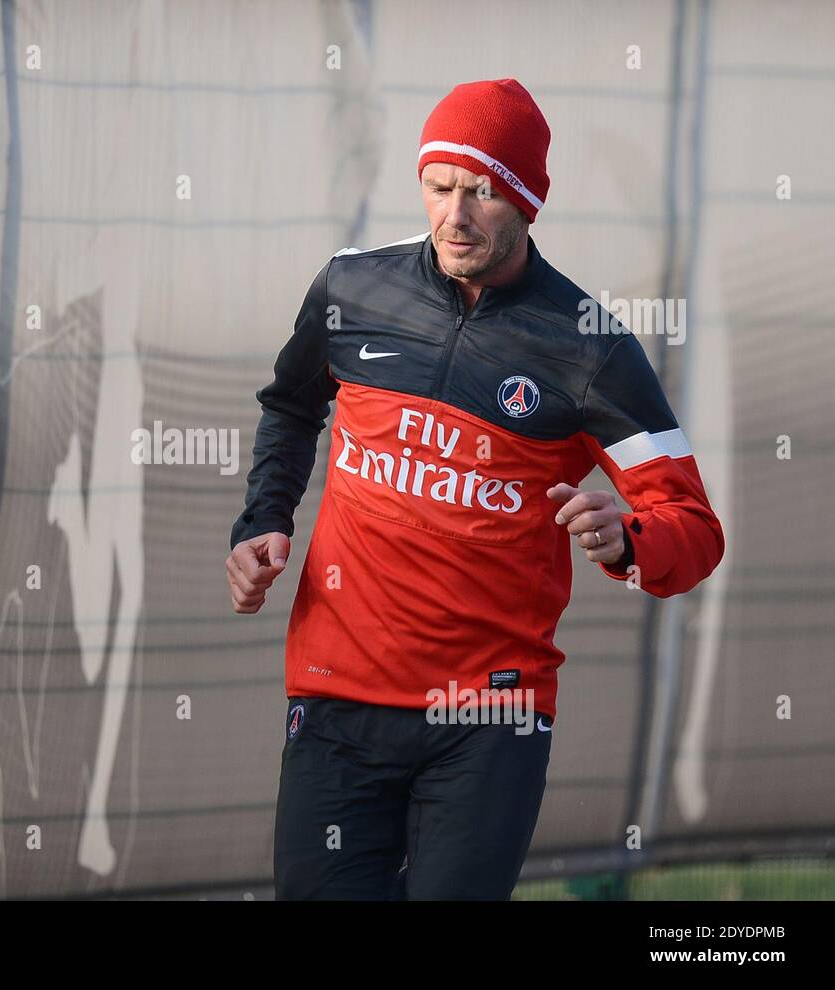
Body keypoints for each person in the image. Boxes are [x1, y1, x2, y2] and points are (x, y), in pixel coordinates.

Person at [225, 78, 725, 900]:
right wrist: (261, 520)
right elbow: (289, 404)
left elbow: (695, 531)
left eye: (482, 192)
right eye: (439, 187)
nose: (454, 215)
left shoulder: (589, 345)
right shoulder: (353, 289)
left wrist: (631, 539)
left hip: (488, 722)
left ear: (527, 202)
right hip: (336, 700)